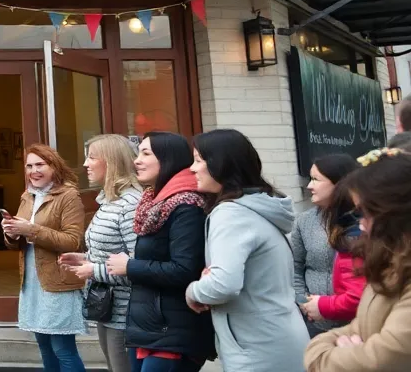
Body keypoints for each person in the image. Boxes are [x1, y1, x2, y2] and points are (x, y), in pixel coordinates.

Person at [184, 128, 307, 371]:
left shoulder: (231, 214)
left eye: (199, 160)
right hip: (277, 337)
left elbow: (223, 284)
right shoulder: (254, 208)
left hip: (258, 348)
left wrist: (194, 291)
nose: (192, 168)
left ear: (221, 164)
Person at [105, 131, 214, 371]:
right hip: (150, 325)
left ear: (168, 158)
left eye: (146, 153)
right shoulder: (154, 202)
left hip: (172, 329)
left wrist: (130, 267)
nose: (137, 161)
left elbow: (184, 269)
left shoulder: (186, 205)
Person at [305, 147, 411, 370]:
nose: (361, 225)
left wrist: (323, 356)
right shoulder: (392, 265)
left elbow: (382, 358)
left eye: (365, 213)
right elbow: (359, 327)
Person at [59, 134, 142, 372]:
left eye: (92, 157)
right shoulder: (108, 200)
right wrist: (86, 259)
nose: (85, 164)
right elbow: (113, 255)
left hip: (126, 312)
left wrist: (91, 270)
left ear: (112, 162)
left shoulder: (130, 204)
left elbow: (138, 264)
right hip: (108, 310)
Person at [1, 144, 87, 372]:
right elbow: (18, 242)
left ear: (54, 166)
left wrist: (30, 230)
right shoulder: (27, 196)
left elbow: (73, 241)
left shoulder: (69, 196)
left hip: (57, 282)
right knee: (45, 347)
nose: (33, 171)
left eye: (40, 164)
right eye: (29, 166)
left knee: (63, 349)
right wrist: (11, 233)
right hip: (32, 283)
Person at [293, 154, 361, 336]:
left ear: (339, 183)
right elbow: (295, 267)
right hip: (313, 322)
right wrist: (304, 302)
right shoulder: (304, 222)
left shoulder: (363, 222)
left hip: (357, 324)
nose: (309, 186)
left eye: (316, 179)